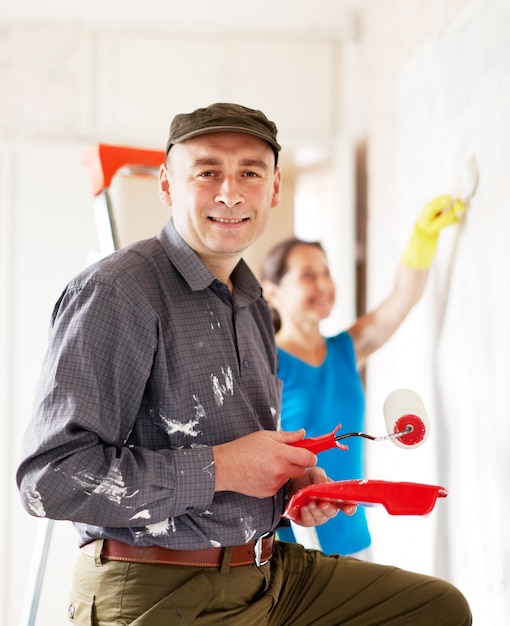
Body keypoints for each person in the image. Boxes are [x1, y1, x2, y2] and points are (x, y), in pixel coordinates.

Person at [16, 102, 471, 625]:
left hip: (267, 568)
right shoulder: (117, 292)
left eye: (250, 173)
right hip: (158, 586)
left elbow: (247, 462)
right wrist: (223, 467)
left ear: (274, 188)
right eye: (207, 171)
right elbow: (48, 480)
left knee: (435, 609)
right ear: (167, 185)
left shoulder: (251, 301)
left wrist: (291, 488)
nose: (230, 192)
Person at [260, 195, 465, 558]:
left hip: (353, 534)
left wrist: (422, 238)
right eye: (308, 275)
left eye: (326, 273)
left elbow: (403, 298)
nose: (323, 284)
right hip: (293, 543)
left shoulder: (344, 350)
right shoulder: (264, 363)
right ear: (271, 291)